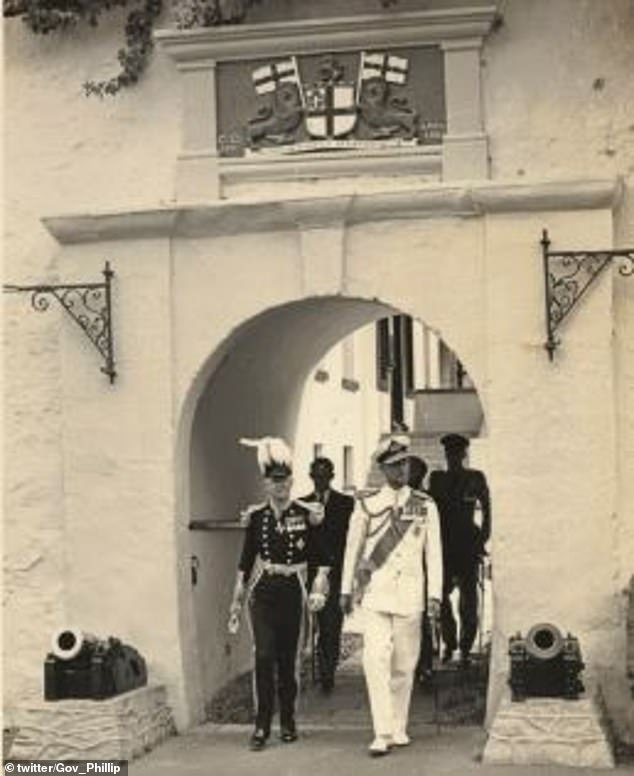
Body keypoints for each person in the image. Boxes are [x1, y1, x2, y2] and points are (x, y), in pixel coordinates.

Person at [340, 435, 443, 757]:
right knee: (375, 659)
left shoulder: (425, 504)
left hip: (410, 595)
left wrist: (435, 595)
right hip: (376, 595)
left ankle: (398, 726)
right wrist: (345, 589)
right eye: (394, 465)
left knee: (404, 664)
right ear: (383, 469)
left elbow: (434, 554)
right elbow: (351, 550)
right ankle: (381, 731)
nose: (401, 469)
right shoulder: (367, 504)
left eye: (404, 463)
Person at [227, 437, 331, 752]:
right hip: (264, 592)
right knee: (263, 655)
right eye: (275, 481)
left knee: (288, 660)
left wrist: (317, 588)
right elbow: (245, 562)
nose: (281, 486)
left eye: (285, 480)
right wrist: (236, 598)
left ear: (292, 481)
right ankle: (261, 725)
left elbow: (322, 559)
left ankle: (287, 721)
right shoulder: (257, 517)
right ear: (266, 484)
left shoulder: (306, 513)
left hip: (292, 592)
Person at [428, 433, 491, 667]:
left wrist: (483, 537)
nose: (453, 458)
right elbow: (430, 510)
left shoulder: (475, 478)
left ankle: (465, 647)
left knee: (469, 599)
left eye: (457, 454)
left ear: (463, 455)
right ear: (445, 455)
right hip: (443, 545)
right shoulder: (437, 480)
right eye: (449, 454)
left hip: (466, 544)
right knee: (441, 597)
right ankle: (449, 643)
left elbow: (487, 507)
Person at [300, 457, 354, 692]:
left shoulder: (345, 503)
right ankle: (324, 668)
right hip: (312, 573)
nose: (320, 480)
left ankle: (327, 671)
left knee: (332, 623)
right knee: (320, 622)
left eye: (324, 476)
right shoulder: (302, 505)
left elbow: (351, 539)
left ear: (332, 477)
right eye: (316, 476)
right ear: (311, 477)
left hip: (337, 571)